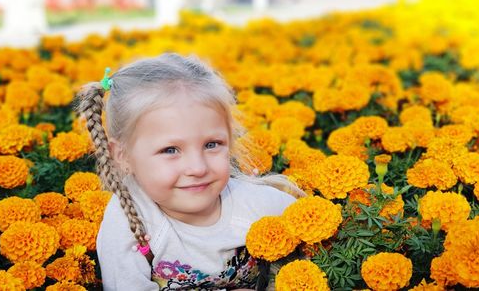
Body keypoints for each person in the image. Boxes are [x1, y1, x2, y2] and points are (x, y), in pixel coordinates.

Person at [75, 53, 306, 291]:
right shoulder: (128, 222)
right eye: (171, 150)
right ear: (123, 156)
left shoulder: (258, 204)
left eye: (212, 144)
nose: (198, 168)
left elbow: (315, 252)